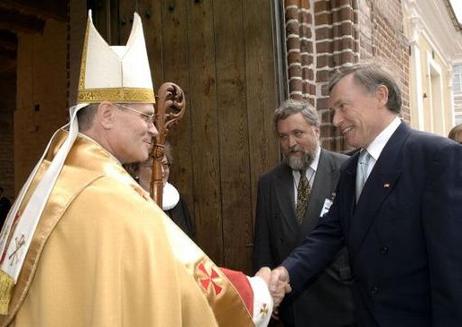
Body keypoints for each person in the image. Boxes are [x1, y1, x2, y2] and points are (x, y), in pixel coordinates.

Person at [0, 11, 273, 326]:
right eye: (145, 116)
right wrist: (257, 293)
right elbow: (177, 275)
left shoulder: (55, 174)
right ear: (107, 115)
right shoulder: (110, 194)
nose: (155, 130)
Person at [269, 63, 462, 326]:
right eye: (333, 111)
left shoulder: (436, 156)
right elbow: (328, 234)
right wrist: (284, 272)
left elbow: (452, 268)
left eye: (342, 107)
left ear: (380, 96)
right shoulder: (350, 169)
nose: (336, 121)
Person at [253, 99, 355, 327]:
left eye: (298, 133)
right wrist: (265, 292)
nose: (291, 143)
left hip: (340, 299)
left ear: (316, 131)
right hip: (292, 303)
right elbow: (263, 245)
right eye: (283, 136)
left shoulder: (346, 169)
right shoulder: (269, 183)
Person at [126, 142, 196, 239]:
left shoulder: (176, 200)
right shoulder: (128, 203)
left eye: (165, 165)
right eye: (153, 166)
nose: (162, 171)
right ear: (136, 170)